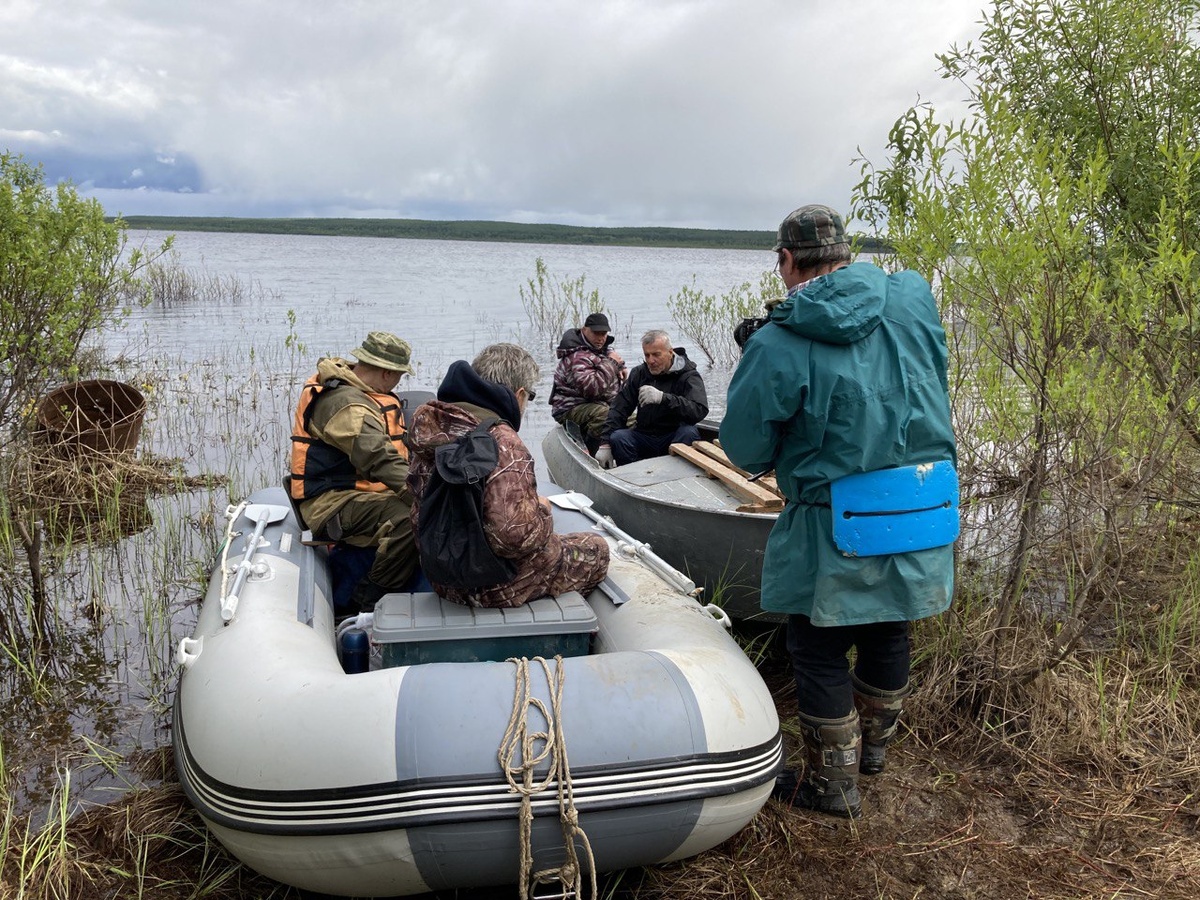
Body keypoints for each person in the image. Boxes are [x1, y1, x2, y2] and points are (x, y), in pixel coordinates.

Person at [720, 204, 957, 819]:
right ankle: (872, 754)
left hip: (836, 518)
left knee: (818, 646)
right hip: (922, 505)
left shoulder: (779, 339)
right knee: (890, 624)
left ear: (787, 261)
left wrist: (758, 359)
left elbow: (744, 449)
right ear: (846, 253)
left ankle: (834, 786)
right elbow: (928, 368)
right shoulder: (911, 297)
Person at [406, 343, 610, 608]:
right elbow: (513, 539)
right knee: (596, 549)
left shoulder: (433, 425)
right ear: (520, 394)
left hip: (444, 580)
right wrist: (542, 511)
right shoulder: (502, 440)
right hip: (494, 586)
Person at [289, 331, 419, 613]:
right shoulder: (347, 405)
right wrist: (427, 498)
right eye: (399, 375)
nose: (398, 382)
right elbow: (380, 458)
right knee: (410, 521)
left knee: (414, 508)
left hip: (359, 494)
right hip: (330, 502)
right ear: (387, 373)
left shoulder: (358, 390)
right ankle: (366, 600)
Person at [595, 330, 708, 468]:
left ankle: (676, 475)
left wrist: (664, 398)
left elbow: (699, 410)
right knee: (619, 437)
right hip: (645, 436)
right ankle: (632, 477)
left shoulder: (689, 376)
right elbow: (619, 408)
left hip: (674, 435)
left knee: (689, 432)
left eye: (656, 355)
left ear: (670, 352)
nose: (650, 360)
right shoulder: (639, 374)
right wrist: (605, 443)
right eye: (647, 355)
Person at [549, 312, 626, 451]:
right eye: (596, 333)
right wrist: (612, 363)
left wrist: (619, 366)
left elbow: (606, 362)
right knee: (606, 416)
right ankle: (593, 450)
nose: (601, 338)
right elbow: (592, 389)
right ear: (584, 330)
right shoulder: (577, 357)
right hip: (572, 407)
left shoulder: (601, 350)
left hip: (598, 403)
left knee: (633, 417)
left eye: (604, 334)